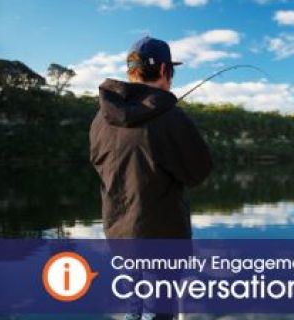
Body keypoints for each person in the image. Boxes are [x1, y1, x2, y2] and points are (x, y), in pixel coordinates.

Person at [89, 36, 213, 320]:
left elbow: (99, 164)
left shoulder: (99, 121)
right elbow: (199, 171)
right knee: (158, 313)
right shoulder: (172, 118)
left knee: (135, 308)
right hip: (162, 243)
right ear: (163, 71)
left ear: (131, 72)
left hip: (120, 238)